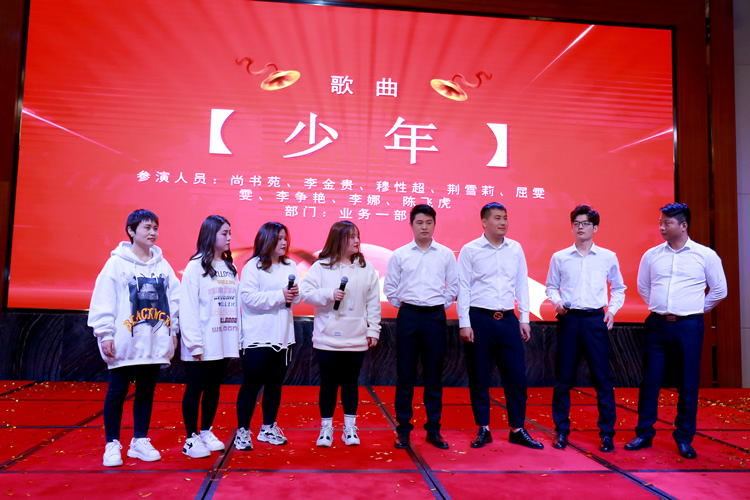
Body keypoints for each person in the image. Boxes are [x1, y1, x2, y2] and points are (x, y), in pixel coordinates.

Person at [625, 203, 727, 459]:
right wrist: (662, 308)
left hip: (689, 326)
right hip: (657, 324)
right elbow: (644, 287)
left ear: (683, 226)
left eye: (667, 223)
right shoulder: (652, 255)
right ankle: (644, 433)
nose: (661, 227)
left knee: (687, 382)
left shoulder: (705, 255)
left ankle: (684, 438)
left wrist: (694, 309)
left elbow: (719, 290)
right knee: (650, 381)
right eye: (660, 222)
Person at [88, 209, 180, 467]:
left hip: (154, 339)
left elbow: (175, 300)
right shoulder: (116, 264)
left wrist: (173, 330)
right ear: (131, 230)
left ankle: (139, 441)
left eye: (155, 228)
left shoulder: (162, 265)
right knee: (117, 391)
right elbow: (104, 300)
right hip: (124, 340)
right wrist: (105, 333)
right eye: (147, 228)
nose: (153, 233)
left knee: (146, 391)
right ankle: (112, 444)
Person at [457, 202, 543, 450]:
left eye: (505, 217)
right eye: (497, 218)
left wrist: (524, 318)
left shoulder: (515, 249)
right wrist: (464, 322)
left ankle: (517, 428)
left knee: (516, 376)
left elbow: (522, 284)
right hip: (479, 319)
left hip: (507, 319)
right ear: (484, 222)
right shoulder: (470, 250)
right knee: (479, 375)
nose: (503, 222)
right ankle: (483, 428)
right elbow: (463, 287)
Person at [545, 205, 626, 453]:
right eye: (577, 223)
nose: (581, 227)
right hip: (569, 319)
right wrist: (557, 302)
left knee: (602, 378)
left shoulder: (607, 257)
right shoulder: (560, 257)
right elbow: (551, 287)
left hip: (594, 320)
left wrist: (612, 310)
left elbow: (619, 288)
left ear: (595, 228)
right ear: (572, 227)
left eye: (586, 223)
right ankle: (561, 430)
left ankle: (607, 433)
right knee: (563, 378)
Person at [300, 221, 381, 447]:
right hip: (327, 338)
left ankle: (349, 428)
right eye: (351, 237)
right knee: (328, 383)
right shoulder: (321, 266)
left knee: (350, 383)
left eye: (357, 236)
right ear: (339, 239)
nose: (357, 241)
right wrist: (329, 294)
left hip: (356, 336)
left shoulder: (365, 268)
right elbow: (306, 293)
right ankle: (326, 429)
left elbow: (373, 302)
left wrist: (373, 329)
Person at [384, 205, 458, 450]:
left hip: (435, 317)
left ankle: (433, 430)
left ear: (434, 224)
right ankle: (403, 430)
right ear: (411, 225)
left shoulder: (445, 254)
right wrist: (409, 306)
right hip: (409, 316)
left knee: (434, 375)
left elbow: (453, 287)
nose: (424, 227)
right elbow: (390, 289)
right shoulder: (400, 254)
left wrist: (437, 306)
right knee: (405, 374)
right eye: (419, 222)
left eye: (428, 222)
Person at [234, 222, 300, 451]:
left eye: (285, 238)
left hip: (282, 336)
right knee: (251, 384)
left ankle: (268, 427)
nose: (283, 243)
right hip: (257, 337)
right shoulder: (253, 266)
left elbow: (295, 299)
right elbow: (249, 298)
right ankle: (243, 431)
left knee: (275, 384)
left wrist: (293, 294)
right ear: (267, 240)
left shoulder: (290, 265)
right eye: (279, 238)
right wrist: (280, 295)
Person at [179, 215, 240, 458]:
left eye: (229, 233)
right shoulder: (195, 267)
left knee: (214, 388)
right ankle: (190, 438)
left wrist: (236, 338)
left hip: (223, 340)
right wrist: (194, 343)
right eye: (224, 233)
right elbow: (188, 307)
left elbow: (235, 305)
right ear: (210, 234)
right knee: (196, 388)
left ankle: (206, 431)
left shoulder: (229, 267)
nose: (229, 237)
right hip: (201, 341)